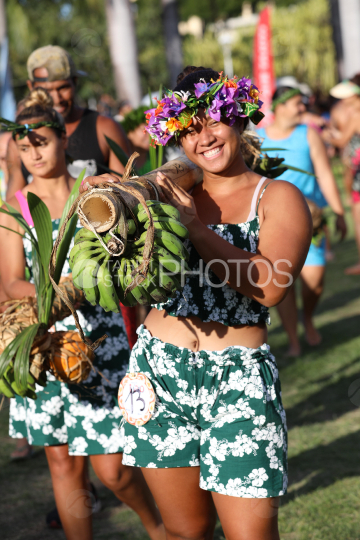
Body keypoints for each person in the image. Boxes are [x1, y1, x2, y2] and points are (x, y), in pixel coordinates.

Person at [81, 67, 313, 540]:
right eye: (188, 129)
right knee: (186, 533)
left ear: (239, 118)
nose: (203, 138)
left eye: (213, 120)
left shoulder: (278, 196)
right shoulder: (163, 194)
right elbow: (128, 286)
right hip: (159, 374)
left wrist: (198, 230)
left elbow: (272, 287)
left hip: (238, 381)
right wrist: (115, 214)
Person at [0, 88, 164, 540]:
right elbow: (10, 281)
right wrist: (54, 296)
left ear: (62, 140)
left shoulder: (93, 191)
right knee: (61, 462)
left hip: (104, 337)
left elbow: (130, 256)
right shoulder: (14, 208)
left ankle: (159, 527)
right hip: (44, 338)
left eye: (42, 142)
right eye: (24, 146)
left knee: (112, 469)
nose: (33, 153)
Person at [257, 86, 346, 356]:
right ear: (280, 106)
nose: (302, 108)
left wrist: (339, 212)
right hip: (273, 222)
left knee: (315, 280)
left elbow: (325, 175)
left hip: (312, 220)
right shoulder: (257, 138)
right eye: (297, 103)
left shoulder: (308, 134)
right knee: (283, 282)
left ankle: (307, 316)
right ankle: (294, 339)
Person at [5, 45, 131, 199]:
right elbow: (13, 206)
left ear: (75, 82)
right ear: (31, 87)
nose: (57, 99)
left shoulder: (105, 128)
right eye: (47, 90)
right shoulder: (21, 138)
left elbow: (128, 191)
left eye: (63, 88)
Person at [323, 76, 360, 275]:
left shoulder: (356, 114)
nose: (343, 101)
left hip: (359, 173)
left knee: (358, 216)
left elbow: (342, 141)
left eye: (346, 97)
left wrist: (327, 136)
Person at [121, 105, 152, 175]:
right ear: (130, 132)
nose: (150, 135)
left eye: (152, 130)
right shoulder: (120, 162)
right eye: (144, 130)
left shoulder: (159, 159)